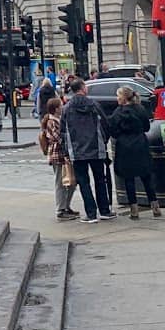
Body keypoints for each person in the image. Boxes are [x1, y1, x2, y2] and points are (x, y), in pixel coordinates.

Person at [60, 78, 113, 223]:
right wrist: (103, 141)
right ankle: (105, 210)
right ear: (83, 88)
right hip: (96, 148)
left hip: (77, 150)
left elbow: (63, 132)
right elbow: (106, 124)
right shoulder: (94, 105)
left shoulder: (67, 108)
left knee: (84, 182)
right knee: (100, 180)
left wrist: (66, 151)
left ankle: (91, 213)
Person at [109, 85, 160, 220]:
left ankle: (134, 210)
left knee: (129, 178)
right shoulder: (140, 109)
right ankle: (155, 206)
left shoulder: (118, 112)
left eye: (118, 96)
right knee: (146, 176)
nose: (117, 98)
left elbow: (112, 130)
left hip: (124, 147)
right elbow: (147, 127)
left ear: (123, 98)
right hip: (140, 144)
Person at [38, 96, 77, 220]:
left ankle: (66, 206)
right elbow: (59, 137)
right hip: (57, 154)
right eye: (60, 106)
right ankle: (60, 210)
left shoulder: (58, 119)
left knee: (71, 181)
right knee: (60, 182)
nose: (62, 107)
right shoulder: (52, 122)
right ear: (55, 109)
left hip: (63, 154)